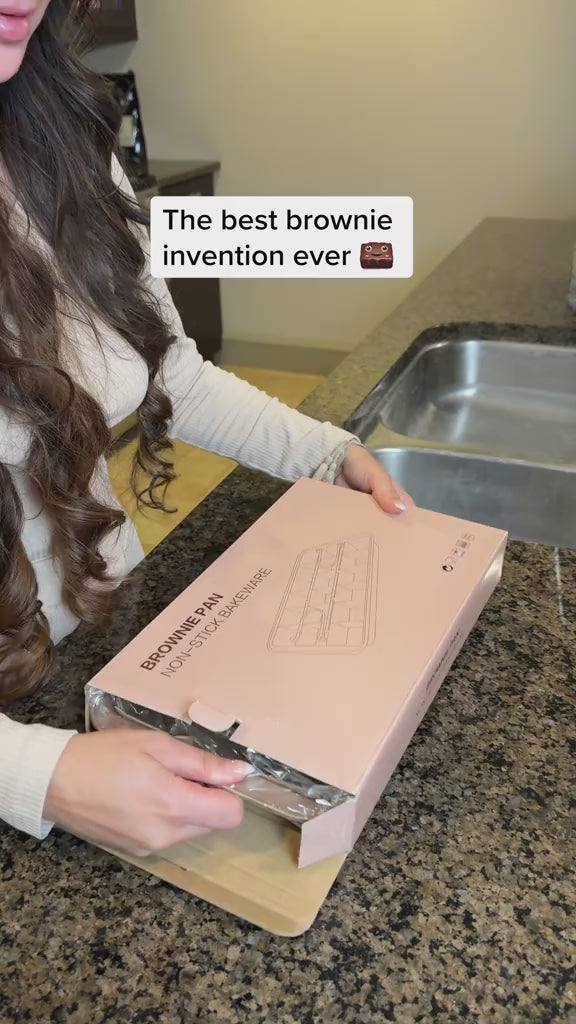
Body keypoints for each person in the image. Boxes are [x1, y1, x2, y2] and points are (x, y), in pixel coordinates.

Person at [0, 0, 410, 858]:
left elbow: (171, 373)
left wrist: (326, 453)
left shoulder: (64, 140)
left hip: (100, 623)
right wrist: (40, 775)